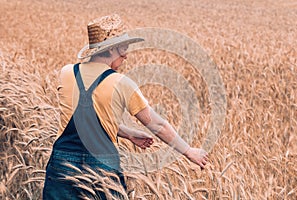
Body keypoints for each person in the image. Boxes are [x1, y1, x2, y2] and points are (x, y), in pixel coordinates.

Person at [43, 14, 209, 199]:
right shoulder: (122, 83)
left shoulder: (66, 73)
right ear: (111, 50)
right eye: (123, 48)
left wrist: (128, 134)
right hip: (102, 166)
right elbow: (157, 125)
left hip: (63, 162)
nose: (126, 55)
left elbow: (86, 117)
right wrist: (189, 151)